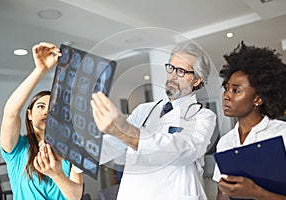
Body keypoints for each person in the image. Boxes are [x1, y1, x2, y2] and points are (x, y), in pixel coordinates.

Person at [91, 41, 217, 200]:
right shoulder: (143, 110)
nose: (172, 75)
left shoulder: (202, 116)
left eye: (181, 71)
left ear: (197, 80)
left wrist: (124, 130)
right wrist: (77, 150)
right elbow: (115, 143)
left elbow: (184, 151)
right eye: (171, 68)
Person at [212, 41, 286, 199]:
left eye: (236, 90)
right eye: (226, 88)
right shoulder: (225, 142)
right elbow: (222, 193)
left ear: (258, 99)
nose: (226, 96)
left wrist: (257, 193)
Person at [0, 42, 83, 200]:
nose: (47, 111)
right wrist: (40, 70)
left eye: (52, 107)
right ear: (29, 114)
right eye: (41, 106)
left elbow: (76, 197)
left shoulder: (70, 150)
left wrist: (57, 174)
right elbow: (10, 112)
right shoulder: (17, 149)